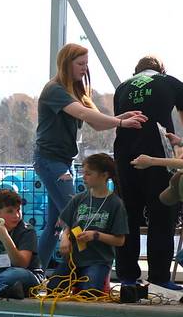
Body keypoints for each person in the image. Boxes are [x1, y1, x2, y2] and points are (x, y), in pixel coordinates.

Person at [34, 43, 145, 269]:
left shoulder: (74, 89)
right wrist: (121, 122)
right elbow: (83, 113)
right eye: (80, 64)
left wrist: (120, 117)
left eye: (86, 64)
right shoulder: (54, 90)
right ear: (67, 65)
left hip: (64, 161)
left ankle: (35, 271)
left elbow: (95, 122)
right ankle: (79, 270)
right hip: (50, 161)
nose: (85, 69)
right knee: (78, 215)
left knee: (55, 225)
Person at [113, 56, 183, 290]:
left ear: (136, 71)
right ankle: (160, 278)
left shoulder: (122, 87)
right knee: (162, 213)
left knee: (129, 215)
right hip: (157, 155)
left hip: (125, 157)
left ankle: (127, 278)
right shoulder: (169, 81)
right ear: (161, 70)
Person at [47, 153, 128, 292]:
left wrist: (96, 235)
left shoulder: (115, 204)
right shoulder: (79, 199)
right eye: (84, 173)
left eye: (89, 174)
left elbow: (120, 240)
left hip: (98, 260)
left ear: (104, 175)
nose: (84, 177)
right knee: (53, 288)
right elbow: (67, 224)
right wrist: (64, 238)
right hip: (74, 259)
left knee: (89, 291)